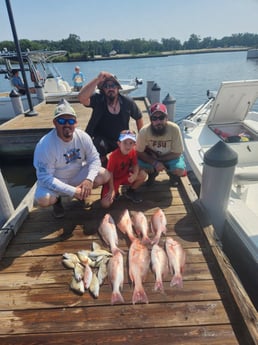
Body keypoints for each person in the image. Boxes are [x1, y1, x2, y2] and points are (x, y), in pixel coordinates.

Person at [33, 99, 110, 218]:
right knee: (43, 199)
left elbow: (94, 159)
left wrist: (89, 180)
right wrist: (73, 191)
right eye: (62, 120)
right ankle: (57, 202)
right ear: (55, 123)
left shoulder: (83, 137)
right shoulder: (45, 145)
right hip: (56, 180)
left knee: (104, 174)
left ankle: (81, 193)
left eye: (70, 120)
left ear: (76, 122)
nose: (67, 124)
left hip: (76, 176)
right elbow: (45, 177)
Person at [78, 71, 144, 167]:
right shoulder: (98, 100)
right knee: (98, 145)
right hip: (103, 140)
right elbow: (81, 98)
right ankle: (106, 166)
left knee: (130, 156)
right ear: (103, 90)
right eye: (106, 86)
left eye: (113, 85)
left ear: (117, 88)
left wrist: (140, 140)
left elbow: (139, 117)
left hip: (121, 138)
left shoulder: (127, 102)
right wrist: (98, 79)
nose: (110, 89)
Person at [136, 102, 186, 187]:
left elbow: (178, 153)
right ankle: (152, 175)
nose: (158, 121)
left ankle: (173, 176)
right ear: (151, 119)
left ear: (166, 118)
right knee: (136, 167)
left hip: (170, 156)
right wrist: (154, 163)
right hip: (151, 157)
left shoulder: (174, 129)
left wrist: (160, 160)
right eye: (154, 118)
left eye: (161, 117)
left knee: (180, 169)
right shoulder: (144, 131)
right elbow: (139, 152)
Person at [101, 130, 147, 208]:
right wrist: (111, 189)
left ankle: (131, 191)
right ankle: (116, 192)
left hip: (125, 175)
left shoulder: (133, 151)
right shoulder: (113, 156)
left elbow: (135, 164)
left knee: (143, 175)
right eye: (125, 142)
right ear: (119, 143)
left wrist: (135, 175)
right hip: (113, 180)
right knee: (105, 204)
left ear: (134, 144)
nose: (128, 146)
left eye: (131, 143)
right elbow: (110, 173)